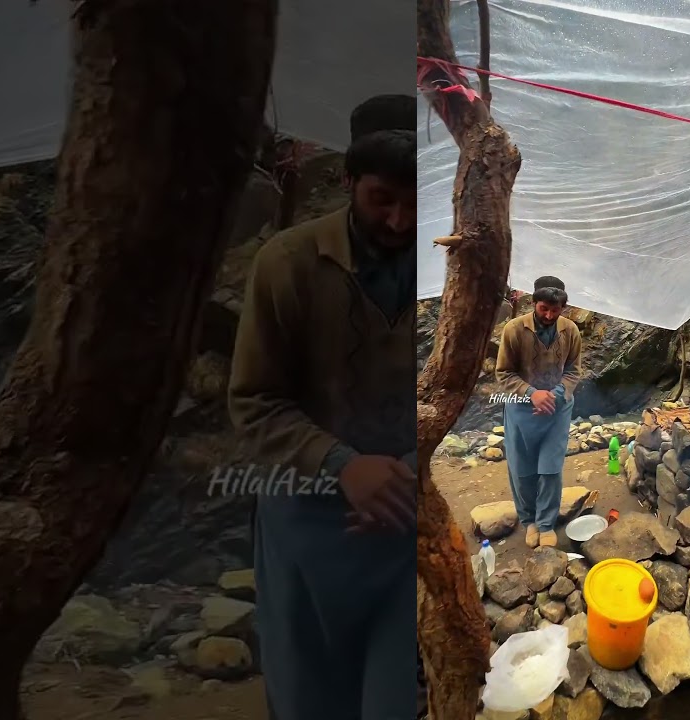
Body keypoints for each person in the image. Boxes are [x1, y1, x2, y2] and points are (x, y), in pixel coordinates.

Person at [227, 94, 417, 720]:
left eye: (416, 201)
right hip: (308, 521)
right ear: (348, 182)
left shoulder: (444, 264)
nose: (400, 221)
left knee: (392, 696)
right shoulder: (287, 263)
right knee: (311, 696)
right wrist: (342, 464)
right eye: (381, 199)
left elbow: (447, 389)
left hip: (397, 522)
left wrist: (408, 473)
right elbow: (254, 402)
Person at [494, 276, 583, 547]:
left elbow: (574, 371)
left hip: (557, 411)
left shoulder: (571, 331)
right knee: (522, 469)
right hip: (522, 411)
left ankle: (545, 524)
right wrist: (532, 394)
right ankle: (529, 520)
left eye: (555, 310)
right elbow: (503, 373)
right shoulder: (513, 329)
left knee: (550, 469)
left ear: (563, 308)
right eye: (544, 308)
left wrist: (553, 395)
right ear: (534, 303)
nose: (549, 315)